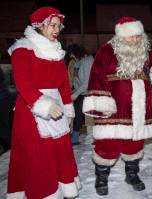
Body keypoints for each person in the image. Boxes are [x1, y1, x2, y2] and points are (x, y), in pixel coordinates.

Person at [82, 17, 152, 196]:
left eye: (139, 36)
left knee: (134, 145)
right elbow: (97, 78)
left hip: (140, 112)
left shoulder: (149, 54)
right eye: (131, 36)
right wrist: (102, 105)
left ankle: (132, 173)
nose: (136, 40)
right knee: (106, 146)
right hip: (114, 110)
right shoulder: (106, 52)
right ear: (121, 36)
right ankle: (101, 177)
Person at [7, 7, 81, 198]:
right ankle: (43, 193)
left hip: (58, 108)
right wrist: (45, 105)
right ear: (39, 26)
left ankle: (60, 188)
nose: (57, 29)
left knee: (59, 151)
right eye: (52, 25)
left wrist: (68, 109)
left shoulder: (56, 51)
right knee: (39, 155)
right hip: (32, 110)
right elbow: (23, 84)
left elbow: (64, 84)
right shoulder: (23, 48)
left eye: (58, 26)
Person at [71, 48, 94, 145]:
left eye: (73, 55)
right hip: (81, 92)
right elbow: (77, 80)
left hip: (88, 92)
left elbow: (87, 81)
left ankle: (90, 138)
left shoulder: (88, 61)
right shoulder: (78, 63)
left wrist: (76, 93)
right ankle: (75, 138)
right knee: (77, 115)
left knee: (89, 117)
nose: (72, 57)